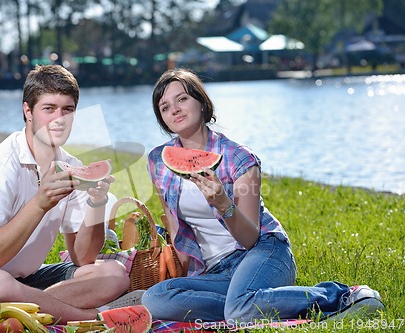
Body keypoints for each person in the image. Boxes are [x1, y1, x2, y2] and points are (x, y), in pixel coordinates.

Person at [141, 68, 384, 324]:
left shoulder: (239, 158)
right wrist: (181, 275)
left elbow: (250, 238)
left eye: (182, 99)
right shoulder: (159, 161)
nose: (175, 110)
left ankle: (341, 295)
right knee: (154, 299)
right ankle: (257, 304)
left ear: (202, 103)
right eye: (165, 107)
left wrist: (223, 204)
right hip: (216, 273)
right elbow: (176, 225)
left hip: (263, 253)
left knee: (237, 309)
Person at [0, 65, 131, 324]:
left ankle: (13, 312)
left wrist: (96, 204)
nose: (59, 119)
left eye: (68, 109)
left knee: (113, 273)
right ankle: (91, 317)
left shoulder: (70, 166)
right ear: (28, 111)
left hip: (23, 279)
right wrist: (40, 203)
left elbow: (82, 257)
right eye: (49, 108)